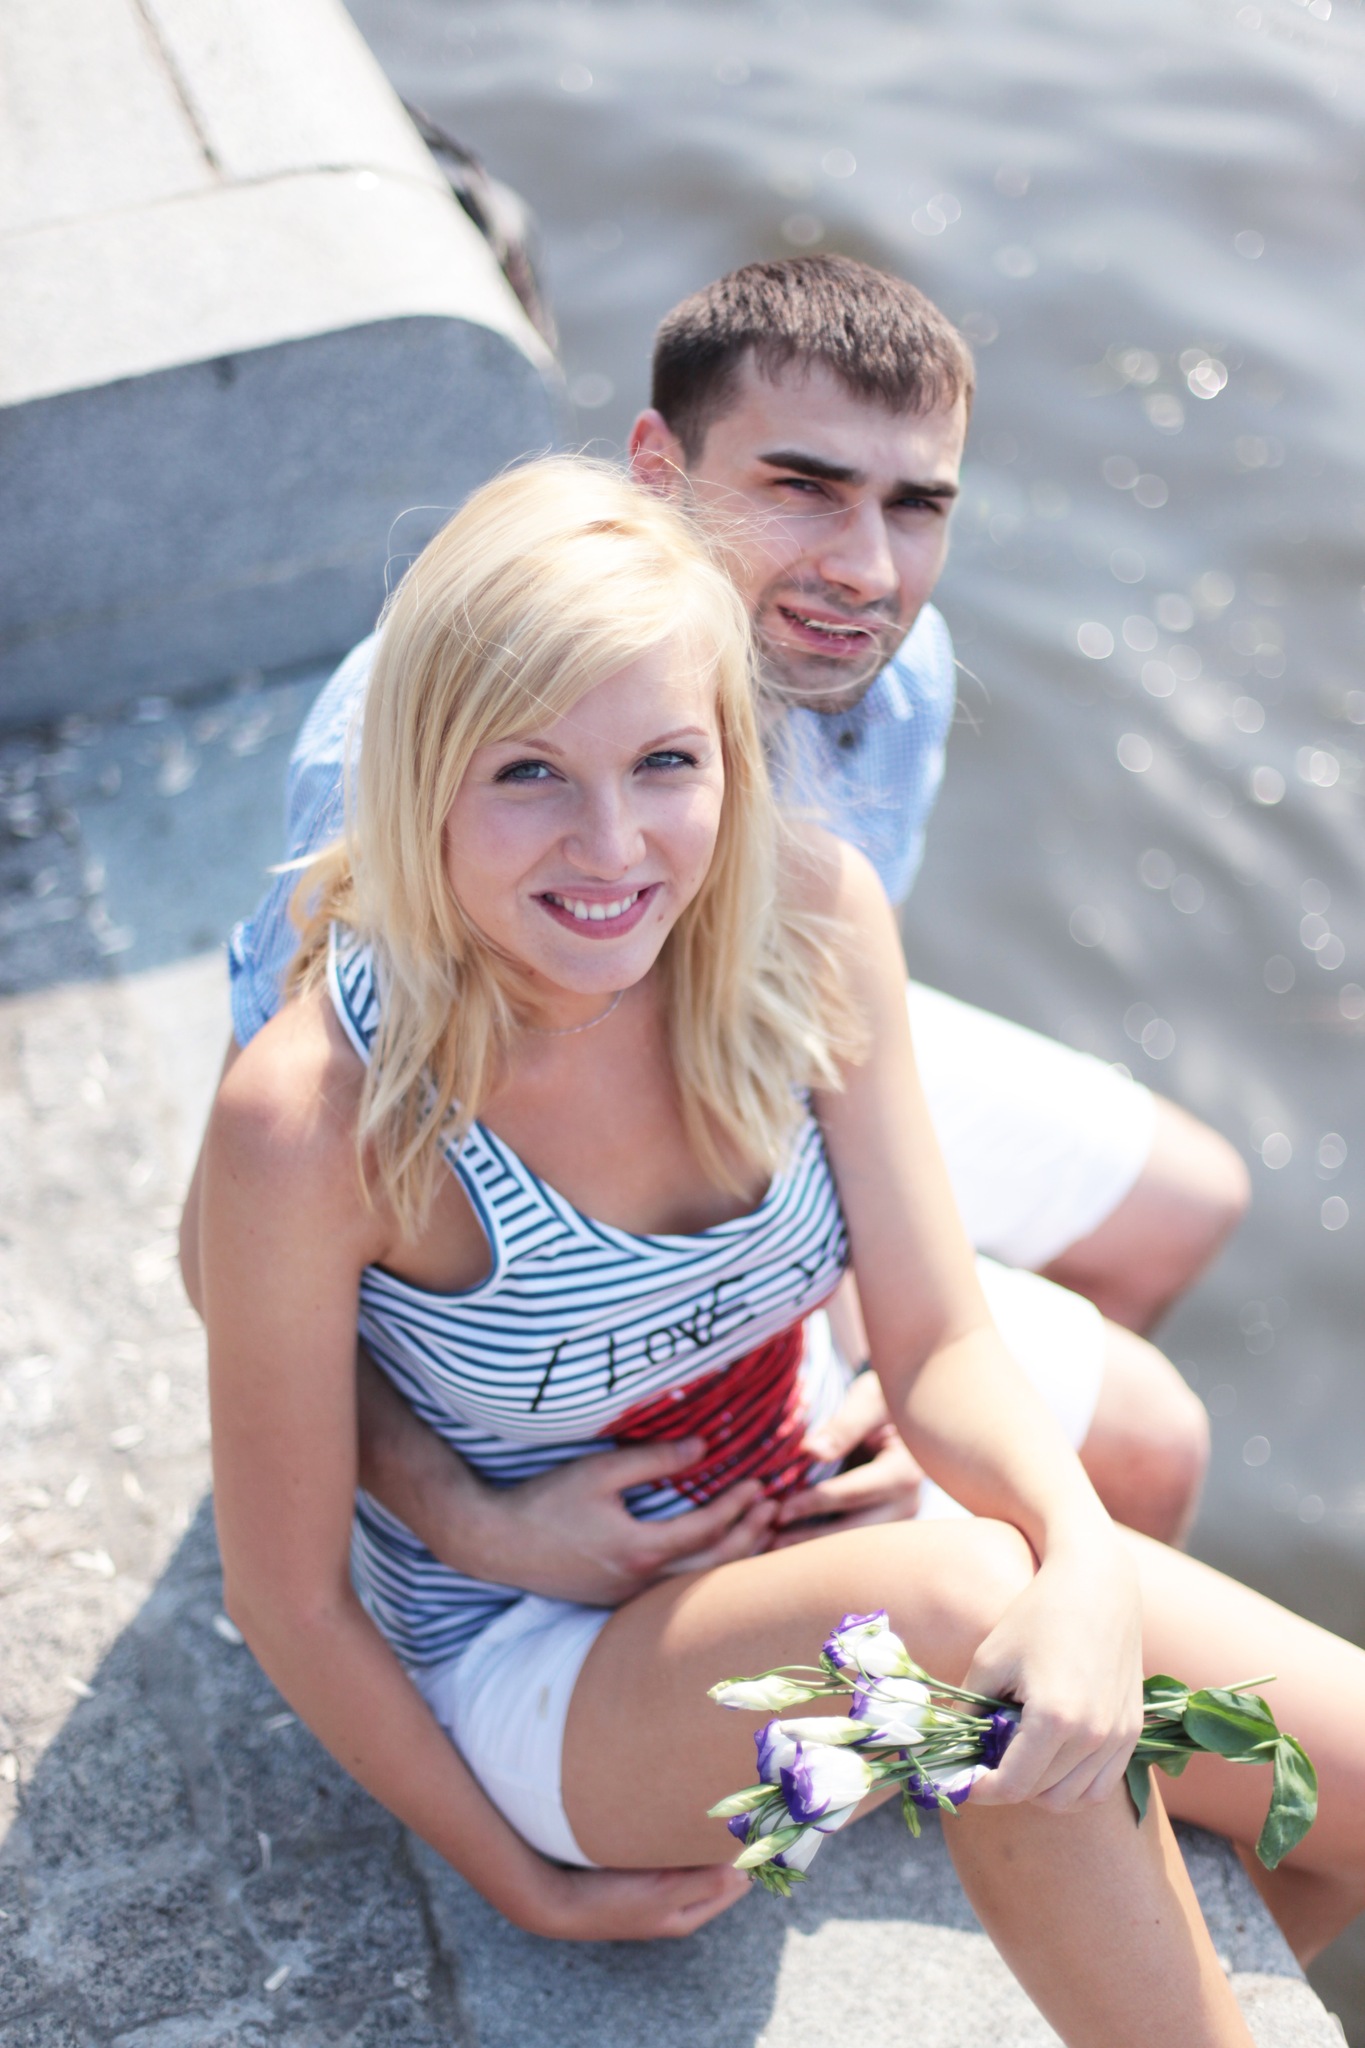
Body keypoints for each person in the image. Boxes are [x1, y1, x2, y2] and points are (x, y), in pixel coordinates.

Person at [187, 461, 1365, 2031]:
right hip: (537, 1651)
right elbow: (287, 1596)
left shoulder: (805, 918)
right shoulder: (316, 1114)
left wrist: (1079, 1560)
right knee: (957, 1625)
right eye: (528, 772)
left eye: (663, 761)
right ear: (418, 777)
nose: (612, 847)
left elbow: (937, 1339)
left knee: (1340, 1776)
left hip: (798, 1506)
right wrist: (514, 1877)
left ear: (731, 756)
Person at [211, 257, 1241, 1582]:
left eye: (914, 505)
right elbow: (225, 1236)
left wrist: (884, 1346)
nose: (863, 568)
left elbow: (832, 1012)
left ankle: (962, 1513)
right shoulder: (401, 751)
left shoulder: (884, 666)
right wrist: (461, 1513)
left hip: (734, 1018)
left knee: (1187, 1205)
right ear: (658, 470)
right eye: (802, 487)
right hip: (508, 1089)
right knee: (1145, 1440)